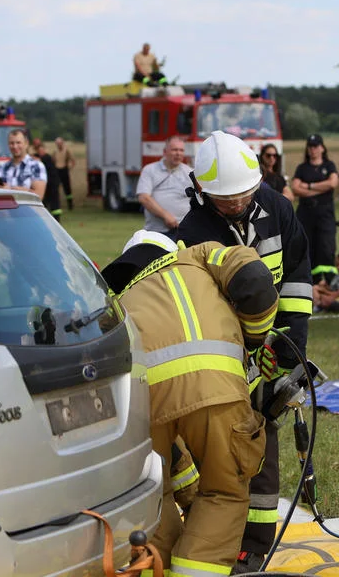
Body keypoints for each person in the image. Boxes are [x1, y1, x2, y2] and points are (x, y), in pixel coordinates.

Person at [100, 230, 279, 577]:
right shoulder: (198, 255)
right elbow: (255, 278)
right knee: (224, 492)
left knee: (153, 495)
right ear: (169, 250)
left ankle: (159, 568)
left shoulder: (115, 300)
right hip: (217, 390)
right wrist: (253, 338)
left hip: (141, 402)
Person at [175, 130, 313, 574]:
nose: (236, 204)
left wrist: (289, 354)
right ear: (202, 190)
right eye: (225, 199)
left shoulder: (278, 209)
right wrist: (248, 353)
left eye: (244, 195)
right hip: (226, 355)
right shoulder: (194, 232)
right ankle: (216, 534)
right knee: (226, 446)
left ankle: (253, 547)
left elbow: (295, 281)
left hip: (274, 347)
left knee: (263, 445)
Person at [289, 134, 339, 283]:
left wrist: (309, 186)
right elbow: (295, 188)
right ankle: (312, 281)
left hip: (325, 213)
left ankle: (330, 280)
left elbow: (332, 183)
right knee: (307, 246)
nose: (313, 150)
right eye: (310, 147)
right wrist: (319, 189)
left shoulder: (329, 165)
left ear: (322, 148)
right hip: (306, 212)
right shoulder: (302, 168)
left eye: (316, 146)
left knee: (326, 246)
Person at [137, 136, 192, 236]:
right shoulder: (150, 170)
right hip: (156, 232)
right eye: (174, 150)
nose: (178, 153)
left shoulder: (189, 172)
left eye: (181, 150)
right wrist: (165, 215)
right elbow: (144, 198)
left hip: (183, 231)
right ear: (164, 152)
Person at [0, 129, 47, 199]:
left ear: (26, 143)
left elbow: (38, 196)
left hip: (26, 210)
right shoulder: (1, 168)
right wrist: (23, 190)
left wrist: (9, 189)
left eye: (18, 143)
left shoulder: (37, 166)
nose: (15, 146)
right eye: (11, 143)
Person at [31, 139, 63, 220]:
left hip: (52, 183)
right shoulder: (40, 157)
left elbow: (37, 159)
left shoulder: (46, 157)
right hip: (47, 184)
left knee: (54, 203)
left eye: (42, 149)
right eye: (39, 150)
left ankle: (56, 219)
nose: (41, 151)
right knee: (45, 202)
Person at [53, 137, 75, 211]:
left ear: (62, 143)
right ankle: (57, 204)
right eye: (57, 143)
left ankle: (70, 204)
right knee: (56, 187)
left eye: (60, 143)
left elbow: (72, 160)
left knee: (67, 188)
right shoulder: (55, 151)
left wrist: (70, 168)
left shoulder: (67, 151)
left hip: (64, 170)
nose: (59, 145)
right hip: (57, 170)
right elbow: (53, 160)